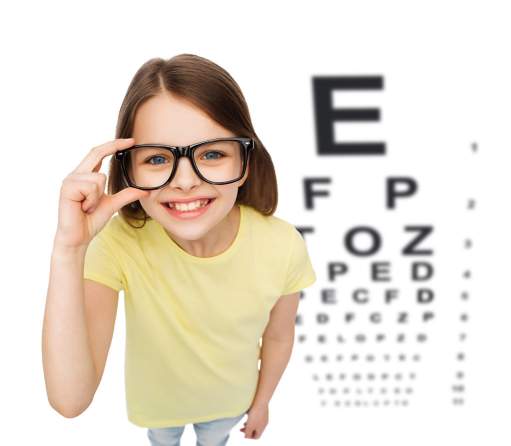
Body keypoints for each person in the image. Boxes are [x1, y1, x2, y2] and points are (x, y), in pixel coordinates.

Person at [42, 53, 316, 445]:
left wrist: (262, 403)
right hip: (159, 408)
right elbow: (70, 400)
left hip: (229, 404)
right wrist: (69, 250)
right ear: (128, 170)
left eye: (212, 154)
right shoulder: (120, 243)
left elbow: (278, 336)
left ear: (246, 160)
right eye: (157, 158)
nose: (185, 181)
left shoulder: (282, 244)